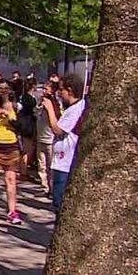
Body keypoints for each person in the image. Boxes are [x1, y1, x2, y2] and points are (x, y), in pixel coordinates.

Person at [46, 73, 86, 220]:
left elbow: (58, 129)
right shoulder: (71, 108)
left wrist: (50, 108)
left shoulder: (76, 109)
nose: (59, 93)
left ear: (69, 90)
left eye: (61, 90)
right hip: (60, 162)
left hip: (65, 164)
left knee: (59, 202)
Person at [0, 84, 24, 226]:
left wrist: (11, 118)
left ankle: (12, 211)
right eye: (0, 87)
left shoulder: (17, 106)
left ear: (10, 90)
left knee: (11, 179)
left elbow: (23, 127)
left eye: (6, 87)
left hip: (11, 145)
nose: (3, 90)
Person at [35, 81, 58, 194]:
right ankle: (45, 188)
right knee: (41, 166)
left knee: (51, 166)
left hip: (50, 139)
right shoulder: (40, 103)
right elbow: (35, 114)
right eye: (43, 88)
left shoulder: (55, 103)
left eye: (46, 89)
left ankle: (52, 189)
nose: (44, 91)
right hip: (40, 138)